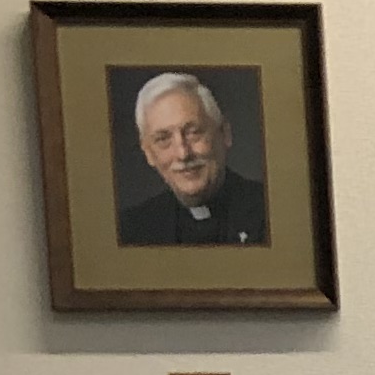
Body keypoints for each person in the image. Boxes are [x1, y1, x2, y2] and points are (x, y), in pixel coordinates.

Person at [113, 69, 271, 248]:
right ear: (148, 152)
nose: (183, 153)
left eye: (193, 132)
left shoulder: (272, 212)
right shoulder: (131, 230)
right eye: (163, 139)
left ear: (225, 133)